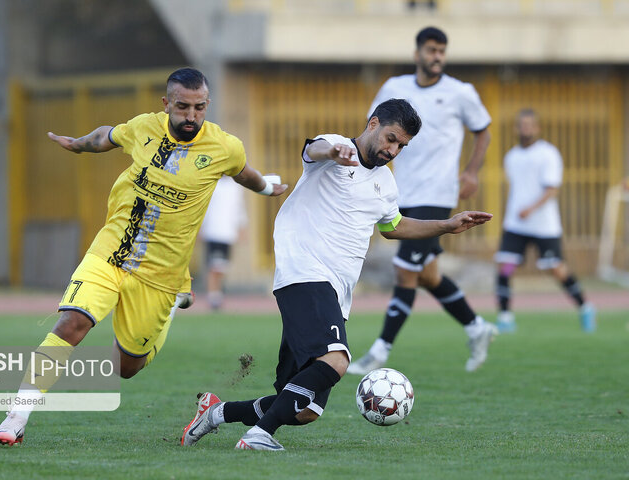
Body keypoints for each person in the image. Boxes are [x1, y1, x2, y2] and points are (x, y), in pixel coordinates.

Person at [0, 67, 288, 446]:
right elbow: (105, 137)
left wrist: (267, 188)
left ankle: (177, 295)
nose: (191, 116)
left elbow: (244, 173)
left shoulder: (224, 147)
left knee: (126, 367)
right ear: (167, 104)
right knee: (71, 323)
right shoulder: (144, 127)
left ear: (207, 105)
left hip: (160, 276)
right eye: (182, 107)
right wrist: (78, 144)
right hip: (111, 251)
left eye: (199, 107)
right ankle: (15, 417)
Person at [180, 99, 493, 451]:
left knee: (304, 408)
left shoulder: (386, 183)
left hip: (337, 292)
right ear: (373, 123)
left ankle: (215, 412)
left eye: (402, 145)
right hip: (305, 272)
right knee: (337, 359)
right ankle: (257, 436)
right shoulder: (333, 149)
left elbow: (392, 227)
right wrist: (333, 151)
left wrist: (446, 226)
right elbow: (313, 149)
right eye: (391, 138)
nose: (393, 150)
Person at [348, 26, 496, 375]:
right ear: (418, 53)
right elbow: (373, 130)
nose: (437, 57)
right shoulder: (394, 88)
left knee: (405, 272)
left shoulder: (461, 92)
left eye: (442, 51)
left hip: (438, 194)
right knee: (427, 276)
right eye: (431, 50)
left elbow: (484, 131)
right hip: (402, 192)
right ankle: (477, 327)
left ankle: (379, 351)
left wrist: (472, 172)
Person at [494, 108, 595, 333]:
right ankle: (505, 317)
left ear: (537, 128)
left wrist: (531, 208)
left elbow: (552, 189)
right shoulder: (512, 156)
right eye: (522, 125)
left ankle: (585, 307)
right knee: (505, 267)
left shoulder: (548, 153)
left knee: (556, 269)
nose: (526, 129)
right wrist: (519, 211)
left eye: (530, 125)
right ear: (516, 128)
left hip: (544, 225)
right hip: (516, 224)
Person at [199, 175, 247, 310]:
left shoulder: (236, 186)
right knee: (214, 266)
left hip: (228, 232)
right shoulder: (212, 184)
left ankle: (217, 295)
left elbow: (239, 208)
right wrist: (202, 228)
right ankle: (213, 297)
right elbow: (205, 208)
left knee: (222, 266)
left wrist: (242, 227)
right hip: (213, 231)